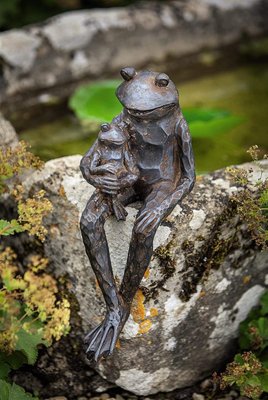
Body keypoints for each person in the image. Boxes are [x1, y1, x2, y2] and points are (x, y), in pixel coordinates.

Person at [80, 67, 195, 362]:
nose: (135, 116)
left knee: (144, 228)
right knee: (89, 220)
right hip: (125, 179)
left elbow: (188, 178)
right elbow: (87, 162)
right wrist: (98, 180)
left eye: (140, 112)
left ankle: (124, 304)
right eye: (130, 111)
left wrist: (160, 206)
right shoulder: (124, 118)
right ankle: (113, 307)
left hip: (161, 183)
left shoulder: (178, 124)